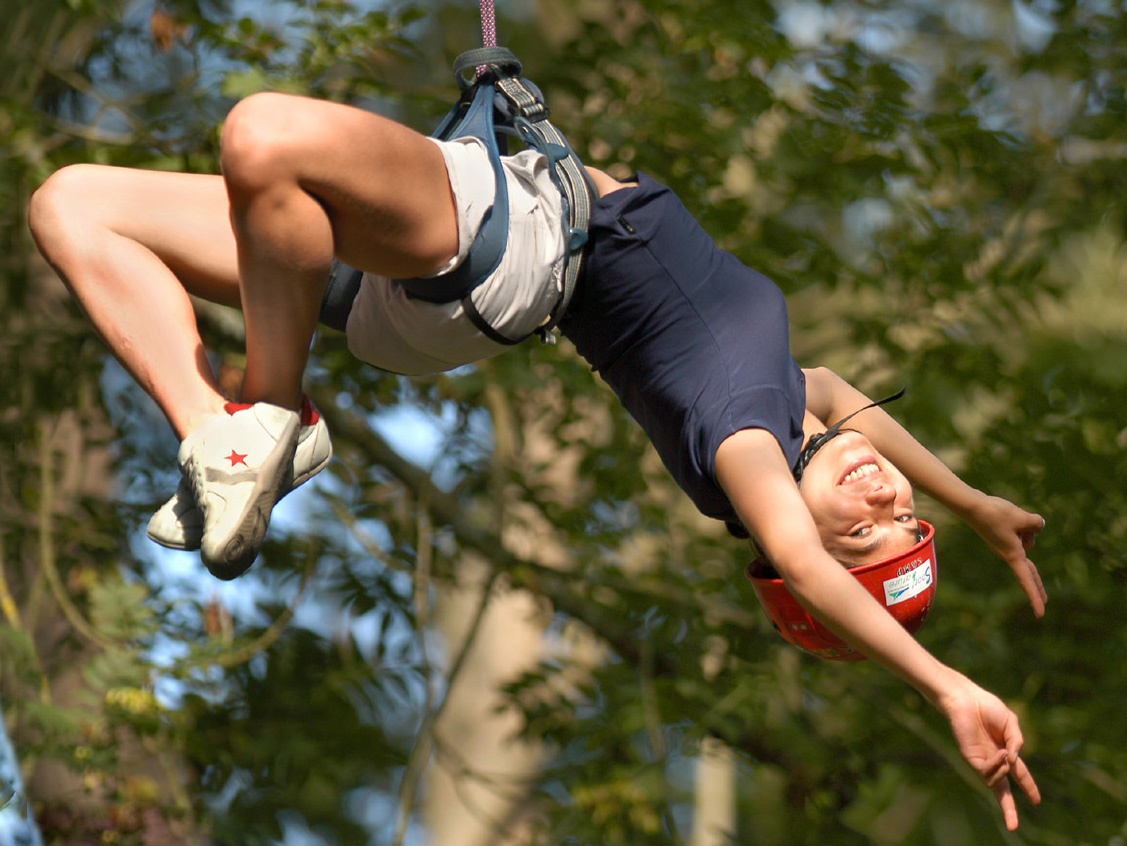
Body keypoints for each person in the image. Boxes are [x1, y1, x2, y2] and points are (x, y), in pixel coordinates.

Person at [28, 79, 1045, 828]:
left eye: (857, 536)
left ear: (790, 549)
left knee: (262, 136)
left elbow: (814, 566)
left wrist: (944, 684)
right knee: (72, 206)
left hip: (499, 248)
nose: (875, 498)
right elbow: (846, 407)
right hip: (428, 280)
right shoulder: (784, 405)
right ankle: (222, 428)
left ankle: (272, 409)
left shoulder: (740, 447)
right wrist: (967, 503)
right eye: (894, 513)